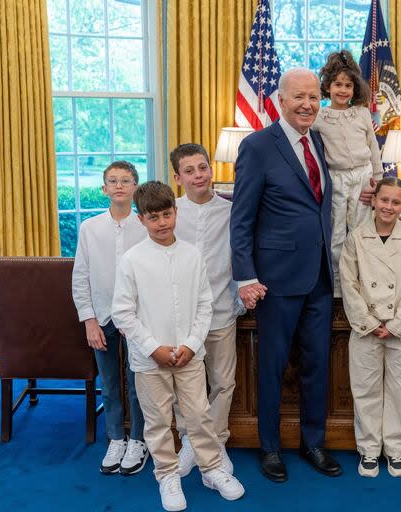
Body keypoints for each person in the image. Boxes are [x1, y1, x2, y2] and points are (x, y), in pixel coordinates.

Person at [230, 68, 342, 482]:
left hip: (319, 277)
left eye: (315, 97)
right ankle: (270, 448)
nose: (308, 105)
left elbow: (320, 203)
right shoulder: (257, 146)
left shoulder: (319, 142)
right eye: (299, 97)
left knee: (317, 366)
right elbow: (241, 219)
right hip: (274, 281)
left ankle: (314, 443)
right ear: (281, 99)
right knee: (273, 366)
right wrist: (245, 277)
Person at [112, 182, 245, 511]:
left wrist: (190, 343)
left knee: (199, 416)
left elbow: (204, 304)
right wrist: (153, 347)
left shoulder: (192, 254)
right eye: (153, 217)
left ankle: (212, 469)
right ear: (141, 220)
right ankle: (167, 475)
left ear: (176, 212)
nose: (162, 223)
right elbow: (123, 313)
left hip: (189, 355)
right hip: (149, 360)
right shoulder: (132, 260)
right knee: (157, 420)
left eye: (167, 214)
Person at [339, 177, 401, 478]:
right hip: (366, 328)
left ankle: (396, 450)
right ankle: (369, 450)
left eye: (395, 202)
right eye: (384, 200)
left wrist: (397, 324)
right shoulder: (356, 237)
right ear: (374, 201)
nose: (389, 206)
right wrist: (370, 322)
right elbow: (348, 283)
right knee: (365, 391)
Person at [170, 142, 244, 476]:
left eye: (203, 167)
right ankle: (190, 441)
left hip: (221, 310)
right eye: (189, 170)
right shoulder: (170, 213)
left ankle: (213, 444)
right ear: (177, 177)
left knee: (222, 382)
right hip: (179, 316)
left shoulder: (231, 211)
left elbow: (240, 257)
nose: (199, 175)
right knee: (185, 384)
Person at [71, 160, 149, 476]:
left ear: (135, 188)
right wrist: (89, 319)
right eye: (113, 181)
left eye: (126, 180)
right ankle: (116, 437)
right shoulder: (90, 228)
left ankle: (138, 440)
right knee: (110, 382)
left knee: (138, 380)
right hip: (102, 314)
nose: (119, 185)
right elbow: (81, 276)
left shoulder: (145, 226)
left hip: (138, 316)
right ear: (104, 189)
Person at [314, 50, 384, 296]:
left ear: (355, 88)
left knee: (361, 230)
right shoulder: (319, 117)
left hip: (363, 176)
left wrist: (379, 180)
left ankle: (360, 281)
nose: (343, 90)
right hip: (337, 177)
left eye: (348, 85)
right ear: (328, 86)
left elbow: (373, 147)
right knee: (336, 234)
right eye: (337, 85)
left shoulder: (363, 113)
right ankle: (336, 285)